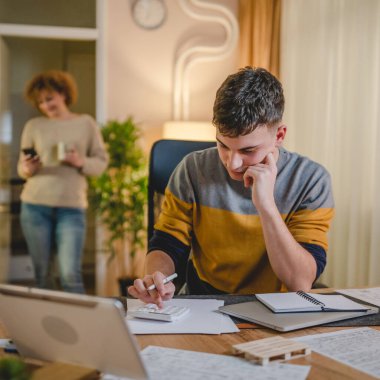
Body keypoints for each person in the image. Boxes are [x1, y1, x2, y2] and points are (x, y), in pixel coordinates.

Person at [128, 67, 334, 306]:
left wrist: (266, 205)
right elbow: (167, 243)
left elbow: (300, 281)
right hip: (204, 300)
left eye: (248, 150)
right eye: (223, 145)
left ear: (279, 136)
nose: (232, 163)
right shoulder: (191, 169)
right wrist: (158, 277)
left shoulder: (311, 180)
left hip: (276, 306)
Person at [18, 70, 108, 293]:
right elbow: (22, 167)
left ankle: (79, 327)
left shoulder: (86, 123)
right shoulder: (34, 126)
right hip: (34, 205)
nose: (45, 105)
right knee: (42, 275)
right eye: (40, 102)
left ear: (63, 93)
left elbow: (101, 162)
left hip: (71, 208)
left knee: (70, 275)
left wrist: (79, 162)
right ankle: (43, 327)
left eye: (49, 98)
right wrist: (28, 168)